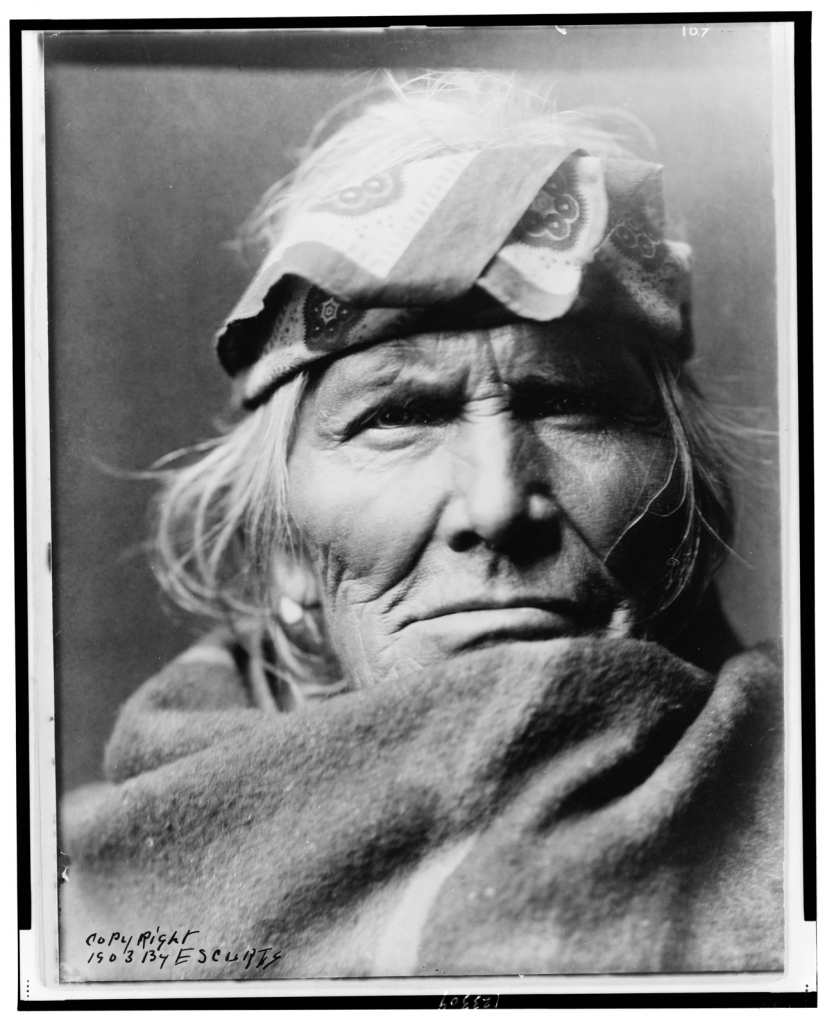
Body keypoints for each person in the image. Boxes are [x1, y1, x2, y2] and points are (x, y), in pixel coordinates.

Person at [60, 73, 783, 981]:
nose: (493, 508)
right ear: (284, 548)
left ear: (691, 507)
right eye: (400, 415)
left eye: (568, 401)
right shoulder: (71, 926)